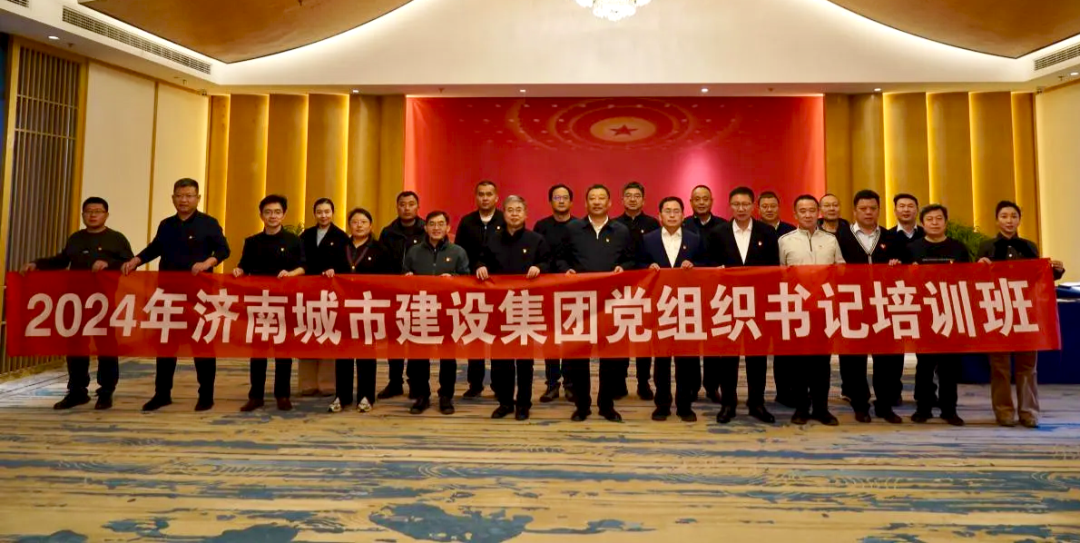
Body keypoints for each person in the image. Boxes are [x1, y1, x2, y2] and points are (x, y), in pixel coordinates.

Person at [121, 178, 230, 412]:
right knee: (166, 345)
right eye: (179, 196)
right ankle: (162, 394)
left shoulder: (208, 223)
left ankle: (206, 395)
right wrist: (136, 260)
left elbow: (224, 249)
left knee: (202, 345)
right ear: (173, 198)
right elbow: (155, 248)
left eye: (189, 196)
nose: (184, 200)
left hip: (199, 295)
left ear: (197, 198)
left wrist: (207, 263)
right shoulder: (166, 225)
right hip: (168, 294)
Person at [23, 197, 133, 410]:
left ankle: (106, 391)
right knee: (75, 346)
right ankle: (77, 391)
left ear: (106, 215)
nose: (93, 215)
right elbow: (62, 260)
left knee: (106, 346)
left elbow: (130, 264)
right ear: (83, 215)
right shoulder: (76, 238)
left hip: (103, 300)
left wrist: (109, 263)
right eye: (88, 211)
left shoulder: (116, 239)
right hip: (76, 300)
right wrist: (37, 264)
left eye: (98, 211)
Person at [976, 200, 1066, 428]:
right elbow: (976, 280)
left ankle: (1029, 412)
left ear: (1019, 220)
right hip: (997, 312)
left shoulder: (1029, 247)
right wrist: (979, 266)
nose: (1009, 221)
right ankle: (1004, 411)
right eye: (1004, 216)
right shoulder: (986, 247)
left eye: (1013, 216)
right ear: (997, 220)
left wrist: (1055, 272)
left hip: (1026, 312)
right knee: (1000, 366)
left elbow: (1038, 278)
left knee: (1028, 366)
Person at [557, 184, 636, 422]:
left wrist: (624, 268)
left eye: (602, 198)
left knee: (610, 357)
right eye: (593, 198)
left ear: (610, 203)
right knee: (578, 356)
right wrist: (566, 269)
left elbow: (632, 260)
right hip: (579, 302)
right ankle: (582, 406)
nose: (597, 202)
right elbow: (559, 258)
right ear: (586, 203)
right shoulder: (572, 229)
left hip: (611, 301)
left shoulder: (621, 230)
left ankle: (606, 405)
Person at [705, 187, 779, 424]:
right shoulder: (718, 233)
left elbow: (774, 268)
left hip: (758, 303)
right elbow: (710, 265)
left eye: (745, 204)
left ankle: (757, 403)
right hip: (727, 303)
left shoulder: (767, 232)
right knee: (728, 357)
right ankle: (728, 404)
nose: (741, 208)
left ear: (753, 206)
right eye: (736, 204)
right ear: (730, 206)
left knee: (757, 357)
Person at [836, 189, 910, 424]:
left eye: (873, 208)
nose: (868, 212)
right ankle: (860, 404)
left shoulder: (892, 238)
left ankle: (884, 405)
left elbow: (907, 269)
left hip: (884, 306)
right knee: (854, 359)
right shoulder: (840, 237)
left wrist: (898, 266)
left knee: (886, 359)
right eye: (863, 209)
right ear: (854, 211)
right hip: (853, 305)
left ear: (879, 210)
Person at [475, 195, 551, 421]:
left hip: (526, 306)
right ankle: (505, 402)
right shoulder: (493, 240)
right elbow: (480, 260)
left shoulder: (536, 239)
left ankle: (524, 404)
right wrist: (480, 267)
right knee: (501, 360)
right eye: (510, 210)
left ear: (525, 214)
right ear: (504, 213)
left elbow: (549, 263)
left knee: (525, 360)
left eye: (519, 209)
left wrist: (539, 267)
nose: (514, 213)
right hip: (500, 308)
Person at [232, 194, 306, 412]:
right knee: (258, 351)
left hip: (284, 302)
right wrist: (239, 270)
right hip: (259, 303)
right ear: (261, 215)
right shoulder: (252, 242)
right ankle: (256, 396)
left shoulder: (293, 240)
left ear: (284, 214)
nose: (272, 216)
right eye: (268, 212)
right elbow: (244, 265)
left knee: (283, 351)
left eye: (277, 212)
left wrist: (291, 274)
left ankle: (282, 395)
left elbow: (304, 266)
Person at [636, 196, 705, 422]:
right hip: (659, 306)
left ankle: (684, 405)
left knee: (685, 359)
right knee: (662, 359)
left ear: (683, 215)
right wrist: (647, 267)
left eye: (676, 211)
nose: (672, 215)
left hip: (686, 306)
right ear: (660, 216)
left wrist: (694, 266)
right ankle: (662, 404)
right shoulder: (648, 239)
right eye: (668, 211)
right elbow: (637, 265)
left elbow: (707, 264)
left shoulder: (694, 239)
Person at [778, 195, 844, 425]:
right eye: (802, 211)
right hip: (797, 310)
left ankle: (821, 408)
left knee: (821, 363)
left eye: (812, 210)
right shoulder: (785, 241)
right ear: (795, 215)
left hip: (824, 309)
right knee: (798, 363)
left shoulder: (831, 240)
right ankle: (801, 408)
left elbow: (841, 269)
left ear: (818, 213)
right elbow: (779, 274)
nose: (808, 215)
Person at [403, 210, 470, 415]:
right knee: (419, 355)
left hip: (447, 310)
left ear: (448, 228)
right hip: (421, 309)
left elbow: (467, 278)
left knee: (447, 356)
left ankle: (446, 395)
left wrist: (453, 278)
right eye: (432, 224)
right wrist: (407, 277)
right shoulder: (414, 251)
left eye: (441, 224)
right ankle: (422, 395)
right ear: (425, 227)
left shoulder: (458, 251)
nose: (436, 228)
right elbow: (403, 274)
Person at [325, 208, 392, 414]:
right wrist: (329, 271)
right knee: (343, 353)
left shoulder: (380, 249)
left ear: (370, 225)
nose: (359, 225)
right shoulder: (340, 248)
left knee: (366, 354)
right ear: (349, 226)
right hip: (343, 308)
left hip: (368, 308)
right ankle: (342, 396)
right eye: (355, 222)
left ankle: (366, 396)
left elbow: (389, 279)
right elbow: (328, 270)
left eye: (363, 222)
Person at [906, 204, 967, 426]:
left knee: (949, 366)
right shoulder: (912, 248)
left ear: (945, 222)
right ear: (922, 223)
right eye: (930, 219)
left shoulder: (958, 248)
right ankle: (922, 408)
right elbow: (903, 282)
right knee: (924, 365)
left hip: (951, 311)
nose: (934, 223)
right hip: (923, 313)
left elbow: (969, 279)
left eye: (939, 218)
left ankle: (949, 410)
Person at [454, 180, 506, 399]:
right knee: (475, 333)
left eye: (489, 194)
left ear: (496, 197)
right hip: (472, 285)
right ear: (476, 197)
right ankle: (475, 383)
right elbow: (459, 251)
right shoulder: (467, 222)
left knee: (499, 336)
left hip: (500, 286)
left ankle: (499, 384)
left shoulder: (505, 220)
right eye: (481, 194)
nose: (485, 198)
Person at [377, 191, 426, 400]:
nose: (407, 208)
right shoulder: (388, 232)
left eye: (411, 204)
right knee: (394, 338)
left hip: (419, 293)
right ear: (397, 207)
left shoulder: (426, 229)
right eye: (403, 204)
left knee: (415, 339)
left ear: (418, 207)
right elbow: (380, 260)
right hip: (393, 291)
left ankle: (415, 382)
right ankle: (394, 382)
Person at [614, 181, 660, 401]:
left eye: (637, 196)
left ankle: (643, 382)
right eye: (628, 195)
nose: (632, 199)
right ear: (622, 199)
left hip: (647, 288)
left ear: (643, 200)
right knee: (620, 336)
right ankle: (619, 382)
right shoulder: (614, 224)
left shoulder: (653, 224)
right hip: (620, 289)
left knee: (644, 337)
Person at [298, 198, 348, 397]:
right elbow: (299, 260)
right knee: (307, 335)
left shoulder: (341, 236)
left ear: (333, 213)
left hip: (331, 294)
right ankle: (307, 383)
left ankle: (327, 383)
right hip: (308, 293)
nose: (323, 215)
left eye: (327, 211)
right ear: (314, 214)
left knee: (328, 335)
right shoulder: (306, 235)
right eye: (319, 212)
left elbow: (346, 264)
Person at [533, 184, 577, 403]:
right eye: (557, 197)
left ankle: (570, 384)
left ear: (571, 201)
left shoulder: (579, 226)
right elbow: (537, 256)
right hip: (546, 289)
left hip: (572, 290)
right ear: (550, 201)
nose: (561, 201)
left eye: (565, 197)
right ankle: (552, 384)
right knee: (550, 337)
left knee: (570, 337)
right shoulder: (541, 226)